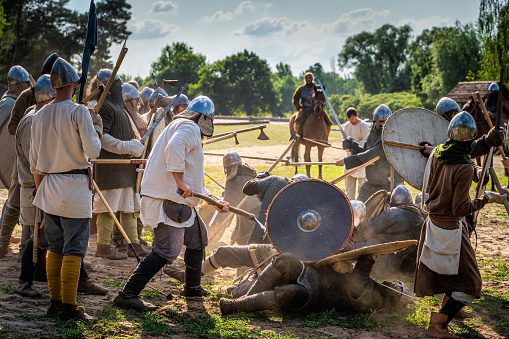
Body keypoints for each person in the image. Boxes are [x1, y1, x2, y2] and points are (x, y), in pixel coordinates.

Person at [113, 96, 230, 311]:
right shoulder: (189, 127)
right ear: (204, 118)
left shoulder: (183, 125)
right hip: (168, 200)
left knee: (197, 239)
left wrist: (213, 201)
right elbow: (175, 148)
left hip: (178, 200)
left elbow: (193, 178)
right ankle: (127, 295)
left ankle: (192, 286)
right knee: (167, 250)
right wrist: (179, 182)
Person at [414, 112, 507, 339]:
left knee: (452, 274)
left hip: (432, 223)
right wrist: (486, 199)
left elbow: (466, 150)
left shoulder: (438, 152)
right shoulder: (464, 167)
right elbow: (460, 209)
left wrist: (487, 141)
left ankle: (448, 311)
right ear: (470, 137)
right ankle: (438, 325)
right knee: (471, 283)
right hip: (449, 229)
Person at [16, 74, 106, 298]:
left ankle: (56, 302)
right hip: (73, 190)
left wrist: (43, 192)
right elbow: (94, 151)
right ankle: (67, 306)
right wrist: (93, 128)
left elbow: (35, 165)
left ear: (54, 87)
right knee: (73, 250)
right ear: (75, 85)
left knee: (54, 248)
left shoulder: (40, 114)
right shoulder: (78, 111)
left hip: (49, 188)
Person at [218, 249, 406, 315]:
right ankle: (242, 298)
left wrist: (367, 259)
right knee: (285, 260)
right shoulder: (376, 285)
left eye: (399, 289)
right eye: (397, 283)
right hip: (314, 276)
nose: (396, 285)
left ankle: (234, 306)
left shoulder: (376, 301)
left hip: (316, 297)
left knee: (287, 293)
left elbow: (356, 285)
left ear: (396, 298)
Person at [93, 69, 148, 260]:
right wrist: (127, 146)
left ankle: (134, 245)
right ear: (108, 86)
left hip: (126, 168)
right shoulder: (105, 107)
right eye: (118, 82)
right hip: (111, 168)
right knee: (108, 210)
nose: (121, 84)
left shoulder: (119, 107)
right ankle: (103, 247)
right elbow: (102, 138)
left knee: (130, 208)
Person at [336, 104, 404, 202]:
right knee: (360, 210)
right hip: (372, 185)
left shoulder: (389, 140)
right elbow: (365, 150)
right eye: (379, 121)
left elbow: (369, 156)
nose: (381, 124)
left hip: (389, 186)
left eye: (384, 122)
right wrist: (353, 146)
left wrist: (346, 161)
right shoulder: (373, 135)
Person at [355, 185, 424, 276]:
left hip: (384, 263)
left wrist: (356, 234)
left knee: (358, 244)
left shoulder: (393, 213)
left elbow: (368, 230)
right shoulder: (420, 218)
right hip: (407, 266)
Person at [0, 65, 32, 258]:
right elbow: (6, 133)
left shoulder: (12, 102)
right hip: (15, 156)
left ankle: (4, 239)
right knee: (14, 198)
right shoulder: (8, 104)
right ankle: (3, 239)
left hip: (18, 155)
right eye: (26, 83)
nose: (29, 86)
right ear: (20, 84)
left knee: (14, 197)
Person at [243, 173, 308, 244]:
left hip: (264, 223)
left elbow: (248, 188)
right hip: (284, 234)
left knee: (251, 251)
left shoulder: (276, 181)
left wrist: (262, 180)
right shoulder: (304, 198)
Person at [292, 72, 332, 138]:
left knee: (329, 122)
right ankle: (297, 137)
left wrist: (320, 105)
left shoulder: (318, 87)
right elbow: (295, 98)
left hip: (316, 108)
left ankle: (325, 138)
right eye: (306, 78)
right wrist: (298, 107)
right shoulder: (301, 89)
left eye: (310, 78)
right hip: (305, 108)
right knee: (297, 120)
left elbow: (322, 97)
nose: (308, 79)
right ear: (304, 79)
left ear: (312, 78)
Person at [343, 107, 370, 200]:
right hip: (350, 157)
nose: (351, 120)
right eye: (349, 119)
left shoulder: (363, 125)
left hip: (360, 157)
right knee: (349, 188)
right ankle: (350, 205)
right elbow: (346, 140)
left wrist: (355, 146)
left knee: (362, 187)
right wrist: (346, 145)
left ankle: (360, 206)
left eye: (353, 118)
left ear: (356, 116)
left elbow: (366, 140)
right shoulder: (346, 126)